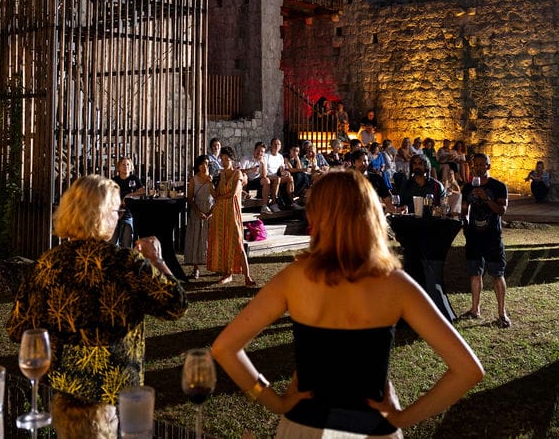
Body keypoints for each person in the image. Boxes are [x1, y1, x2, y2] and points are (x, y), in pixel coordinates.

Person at [210, 170, 484, 437]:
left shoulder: (293, 278)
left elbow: (224, 348)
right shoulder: (395, 284)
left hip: (305, 426)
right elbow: (468, 370)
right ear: (371, 215)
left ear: (316, 216)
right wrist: (403, 418)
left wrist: (273, 400)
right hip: (372, 429)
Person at [6, 175, 187, 420]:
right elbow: (177, 305)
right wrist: (157, 259)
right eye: (116, 211)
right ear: (100, 215)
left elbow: (17, 329)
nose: (119, 217)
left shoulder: (47, 263)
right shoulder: (125, 263)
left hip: (61, 396)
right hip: (116, 398)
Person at [460, 153, 511, 327]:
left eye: (483, 164)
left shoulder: (499, 186)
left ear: (489, 166)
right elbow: (464, 210)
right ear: (472, 166)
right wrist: (462, 213)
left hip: (492, 237)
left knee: (497, 274)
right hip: (473, 236)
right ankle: (475, 309)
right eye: (476, 164)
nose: (479, 167)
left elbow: (501, 210)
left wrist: (486, 198)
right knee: (475, 273)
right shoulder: (467, 188)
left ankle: (502, 313)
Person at [207, 147, 253, 285]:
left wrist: (219, 198)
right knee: (223, 242)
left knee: (238, 242)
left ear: (232, 160)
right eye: (222, 159)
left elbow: (233, 193)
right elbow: (215, 195)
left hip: (233, 212)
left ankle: (247, 276)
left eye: (227, 159)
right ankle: (228, 273)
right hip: (220, 213)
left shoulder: (237, 173)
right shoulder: (221, 175)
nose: (224, 162)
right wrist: (209, 183)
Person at [185, 155, 214, 279]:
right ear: (198, 166)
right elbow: (190, 199)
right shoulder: (194, 179)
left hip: (210, 209)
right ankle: (196, 268)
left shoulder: (212, 178)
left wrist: (211, 212)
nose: (204, 166)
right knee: (196, 238)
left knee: (210, 238)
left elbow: (217, 196)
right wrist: (197, 211)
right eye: (201, 164)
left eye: (206, 163)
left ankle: (214, 264)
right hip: (197, 210)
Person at [348, 148, 394, 213]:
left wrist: (395, 210)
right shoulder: (349, 179)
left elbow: (387, 199)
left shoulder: (376, 178)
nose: (363, 163)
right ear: (353, 163)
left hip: (372, 213)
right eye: (359, 160)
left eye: (365, 161)